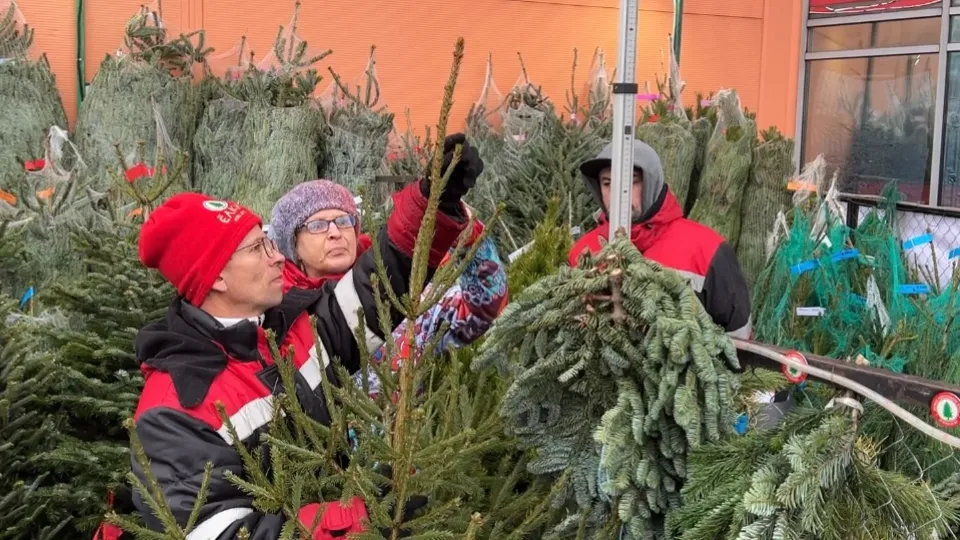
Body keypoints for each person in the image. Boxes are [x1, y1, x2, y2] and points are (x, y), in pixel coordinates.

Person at [128, 135, 481, 539]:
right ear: (217, 277)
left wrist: (434, 201)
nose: (277, 255)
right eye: (258, 247)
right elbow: (218, 532)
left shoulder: (286, 333)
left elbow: (377, 286)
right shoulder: (175, 410)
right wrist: (357, 520)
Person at [569, 140, 752, 338]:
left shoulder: (706, 249)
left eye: (631, 181)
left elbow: (738, 338)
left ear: (651, 183)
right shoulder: (583, 251)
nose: (617, 193)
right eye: (607, 183)